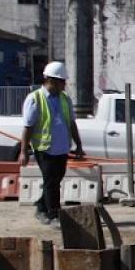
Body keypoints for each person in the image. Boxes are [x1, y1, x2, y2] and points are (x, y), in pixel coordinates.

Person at [18, 61, 85, 225]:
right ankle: (53, 214)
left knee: (55, 180)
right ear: (52, 81)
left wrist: (79, 145)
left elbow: (71, 123)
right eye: (62, 82)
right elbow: (28, 126)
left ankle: (41, 206)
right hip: (45, 148)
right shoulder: (35, 99)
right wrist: (23, 151)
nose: (65, 85)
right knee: (51, 182)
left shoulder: (64, 98)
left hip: (61, 148)